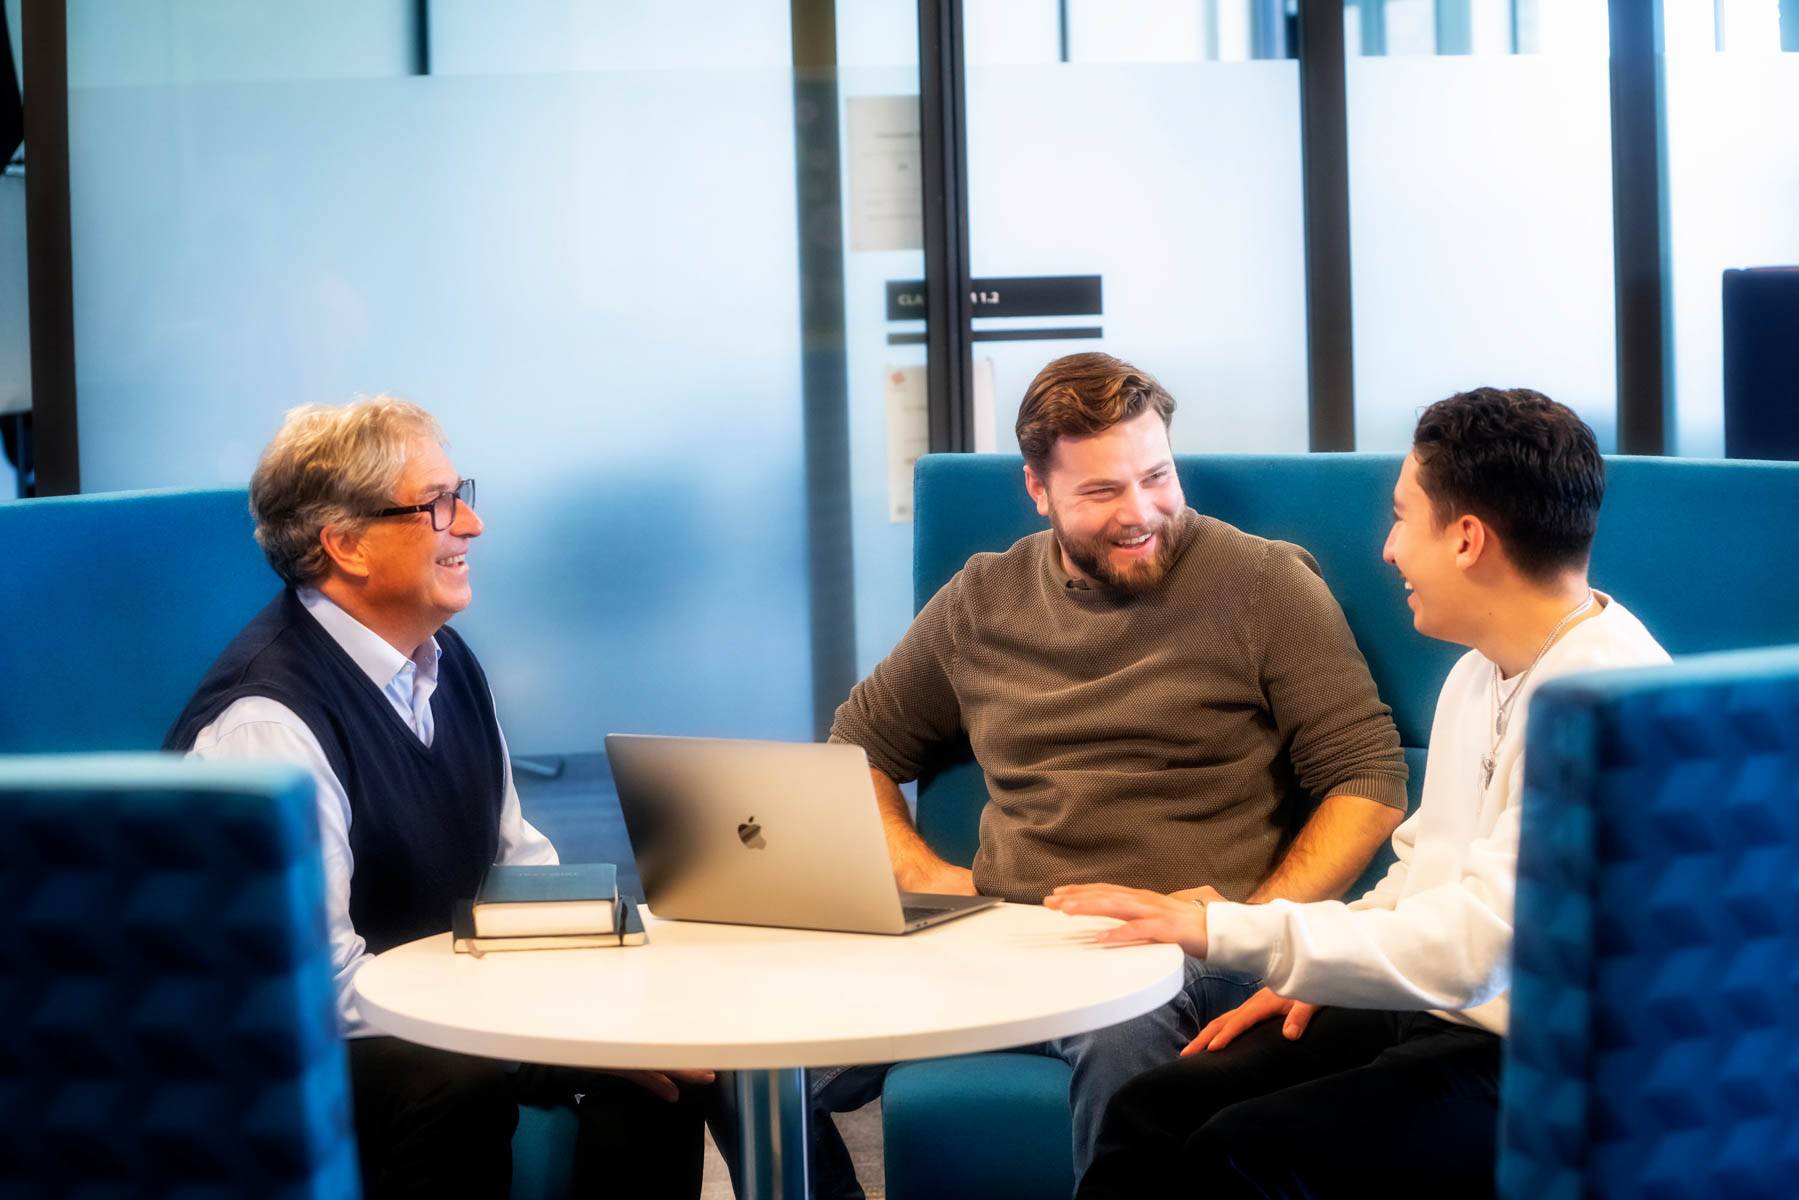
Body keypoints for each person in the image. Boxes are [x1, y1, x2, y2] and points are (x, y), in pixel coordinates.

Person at [812, 353, 1410, 1196]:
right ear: (1038, 490)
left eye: (1156, 477)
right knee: (751, 1054)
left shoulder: (1262, 582)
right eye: (1101, 492)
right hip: (997, 934)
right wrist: (922, 879)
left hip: (1177, 947)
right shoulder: (980, 598)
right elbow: (856, 744)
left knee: (1123, 1041)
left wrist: (1254, 919)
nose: (1141, 513)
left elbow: (1368, 778)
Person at [1052, 387, 1672, 1198]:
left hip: (1554, 1064)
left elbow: (1476, 952)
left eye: (1400, 517)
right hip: (1446, 1015)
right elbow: (1419, 880)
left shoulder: (1605, 696)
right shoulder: (1478, 671)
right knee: (1152, 1110)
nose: (1386, 550)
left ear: (1465, 539)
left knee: (1241, 1153)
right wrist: (1312, 972)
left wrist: (1227, 931)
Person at [167, 397, 713, 1198]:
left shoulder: (442, 661)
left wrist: (604, 1000)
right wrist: (527, 1035)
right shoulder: (266, 725)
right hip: (300, 1059)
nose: (473, 525)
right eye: (437, 505)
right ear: (345, 544)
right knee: (454, 1085)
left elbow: (514, 865)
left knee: (675, 1055)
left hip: (446, 1015)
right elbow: (313, 990)